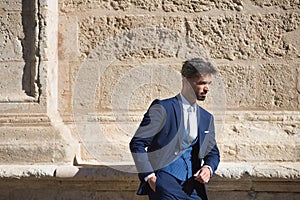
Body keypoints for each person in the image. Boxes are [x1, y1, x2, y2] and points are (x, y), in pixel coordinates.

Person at [130, 58, 220, 200]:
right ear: (186, 81)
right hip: (165, 184)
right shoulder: (162, 108)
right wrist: (150, 178)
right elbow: (137, 144)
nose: (207, 88)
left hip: (194, 188)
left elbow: (213, 153)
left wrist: (208, 168)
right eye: (202, 83)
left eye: (208, 83)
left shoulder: (206, 118)